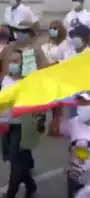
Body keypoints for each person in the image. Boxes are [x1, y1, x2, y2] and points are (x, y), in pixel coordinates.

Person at [1, 48, 46, 198]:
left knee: (16, 161)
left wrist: (41, 120)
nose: (13, 64)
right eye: (11, 61)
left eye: (16, 61)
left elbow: (39, 103)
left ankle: (11, 193)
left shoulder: (28, 81)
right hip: (6, 125)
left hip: (22, 126)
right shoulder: (5, 79)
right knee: (19, 160)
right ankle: (30, 185)